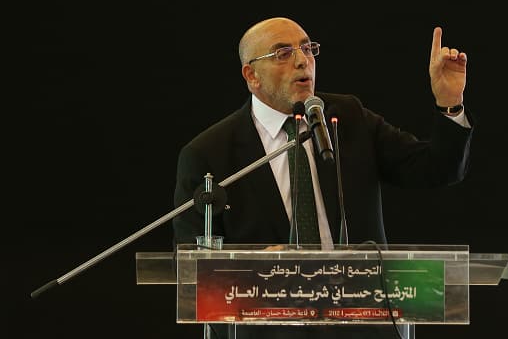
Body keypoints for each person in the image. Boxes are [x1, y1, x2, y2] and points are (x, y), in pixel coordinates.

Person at [172, 17, 473, 339]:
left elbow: (435, 169)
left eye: (307, 49)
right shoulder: (210, 152)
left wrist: (450, 104)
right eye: (283, 53)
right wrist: (252, 269)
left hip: (363, 320)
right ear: (251, 75)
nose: (303, 60)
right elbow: (191, 267)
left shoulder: (347, 117)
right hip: (270, 329)